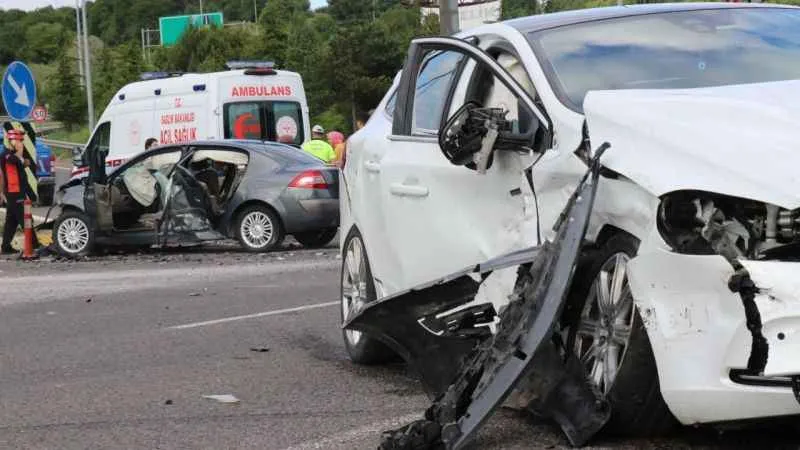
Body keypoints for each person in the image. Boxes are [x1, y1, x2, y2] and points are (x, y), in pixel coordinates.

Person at [0, 129, 40, 254]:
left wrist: (22, 158)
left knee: (11, 221)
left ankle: (6, 247)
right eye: (18, 140)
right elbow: (17, 161)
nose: (20, 143)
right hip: (14, 192)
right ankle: (35, 245)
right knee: (25, 219)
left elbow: (25, 163)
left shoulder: (12, 155)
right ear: (11, 141)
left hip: (16, 192)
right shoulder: (7, 155)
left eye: (21, 141)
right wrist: (19, 150)